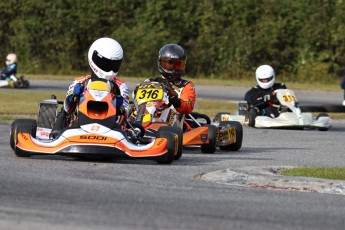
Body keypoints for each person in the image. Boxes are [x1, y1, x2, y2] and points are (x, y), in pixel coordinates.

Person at [50, 37, 129, 138]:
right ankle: (55, 134)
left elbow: (125, 112)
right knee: (64, 111)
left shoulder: (120, 86)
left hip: (113, 129)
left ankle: (127, 138)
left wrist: (119, 105)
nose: (110, 70)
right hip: (77, 126)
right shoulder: (79, 82)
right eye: (106, 64)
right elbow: (67, 108)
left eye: (114, 65)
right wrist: (73, 96)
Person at [135, 44, 196, 116]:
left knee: (169, 114)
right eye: (170, 63)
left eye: (177, 64)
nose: (173, 67)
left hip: (172, 120)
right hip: (149, 117)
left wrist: (176, 101)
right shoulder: (150, 82)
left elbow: (187, 108)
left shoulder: (186, 85)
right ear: (161, 62)